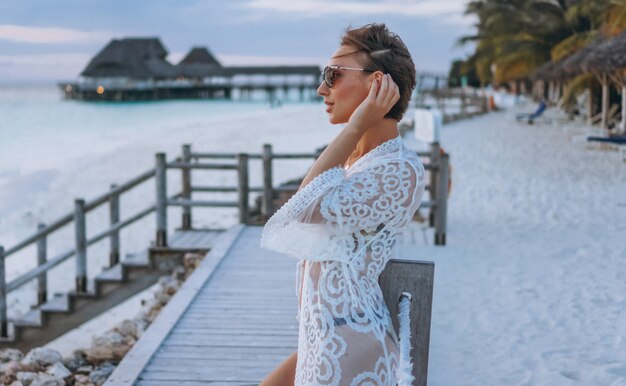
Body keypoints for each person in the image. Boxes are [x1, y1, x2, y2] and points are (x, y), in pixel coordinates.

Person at [259, 23, 427, 386]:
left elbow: (299, 214)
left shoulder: (399, 169)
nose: (322, 88)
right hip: (323, 341)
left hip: (350, 351)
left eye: (333, 75)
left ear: (376, 84)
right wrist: (352, 136)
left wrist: (354, 126)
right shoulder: (356, 164)